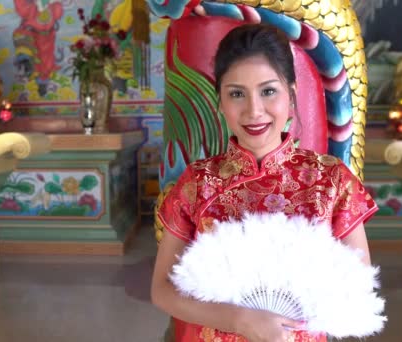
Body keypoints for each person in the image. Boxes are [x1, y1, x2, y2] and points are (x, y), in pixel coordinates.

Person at [151, 23, 378, 342]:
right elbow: (162, 290)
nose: (254, 111)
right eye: (236, 94)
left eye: (268, 91)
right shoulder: (197, 183)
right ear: (219, 101)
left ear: (292, 93)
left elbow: (356, 287)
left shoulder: (331, 182)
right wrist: (239, 318)